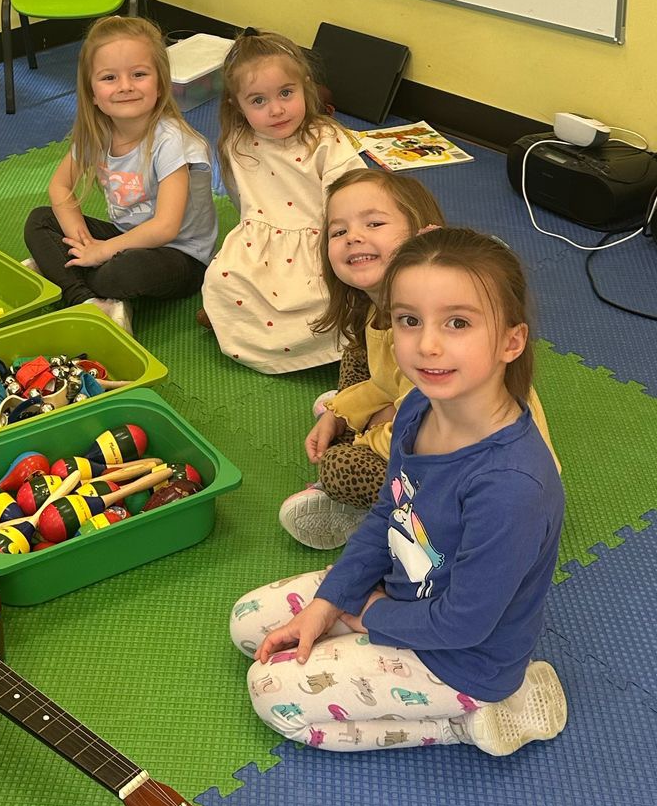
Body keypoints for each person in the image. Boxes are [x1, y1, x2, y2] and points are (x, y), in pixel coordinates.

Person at [229, 229, 568, 757]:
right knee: (247, 624)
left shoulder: (511, 487)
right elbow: (389, 515)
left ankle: (472, 720)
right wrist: (331, 601)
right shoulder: (417, 408)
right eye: (410, 320)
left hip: (461, 658)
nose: (427, 344)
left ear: (511, 341)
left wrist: (367, 615)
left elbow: (464, 622)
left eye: (458, 323)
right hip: (397, 593)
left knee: (272, 692)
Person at [280, 174, 559, 550]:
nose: (353, 237)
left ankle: (380, 517)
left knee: (341, 468)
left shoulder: (432, 337)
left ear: (421, 234)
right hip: (429, 425)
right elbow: (384, 381)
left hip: (469, 480)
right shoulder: (380, 311)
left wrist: (365, 436)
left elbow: (423, 431)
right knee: (356, 359)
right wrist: (339, 412)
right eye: (338, 231)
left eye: (374, 223)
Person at [22, 14, 217, 332]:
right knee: (40, 220)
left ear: (160, 84)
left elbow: (166, 227)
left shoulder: (172, 141)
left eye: (139, 74)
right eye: (109, 78)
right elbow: (60, 187)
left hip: (179, 255)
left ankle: (62, 272)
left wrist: (101, 251)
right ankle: (90, 302)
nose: (125, 86)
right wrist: (83, 242)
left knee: (125, 271)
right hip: (125, 238)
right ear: (92, 92)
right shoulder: (97, 133)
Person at [200, 30, 366, 372]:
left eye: (286, 93)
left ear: (305, 87)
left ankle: (296, 342)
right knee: (220, 277)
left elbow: (355, 194)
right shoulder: (237, 144)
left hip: (319, 240)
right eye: (258, 101)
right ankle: (238, 322)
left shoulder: (326, 138)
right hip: (261, 241)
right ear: (237, 105)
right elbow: (240, 200)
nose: (276, 109)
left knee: (329, 294)